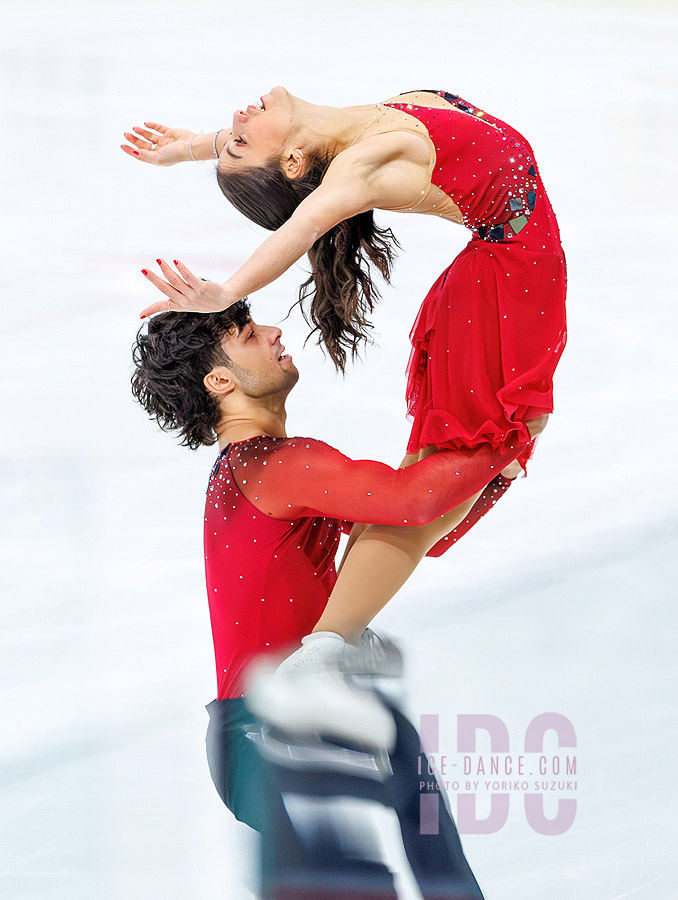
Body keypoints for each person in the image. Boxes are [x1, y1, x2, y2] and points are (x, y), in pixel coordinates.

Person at [122, 86, 565, 656]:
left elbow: (283, 158)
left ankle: (336, 639)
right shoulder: (359, 168)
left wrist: (194, 148)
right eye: (238, 139)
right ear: (290, 162)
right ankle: (329, 645)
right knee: (457, 457)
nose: (236, 116)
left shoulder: (343, 135)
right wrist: (228, 291)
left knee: (457, 459)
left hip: (505, 273)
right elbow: (298, 230)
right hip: (511, 281)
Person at [131, 299, 514, 898]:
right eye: (251, 334)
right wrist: (503, 437)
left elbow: (408, 532)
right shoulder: (268, 464)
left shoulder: (254, 468)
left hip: (298, 718)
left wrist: (495, 467)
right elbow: (412, 501)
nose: (276, 332)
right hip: (271, 730)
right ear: (220, 381)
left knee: (435, 854)